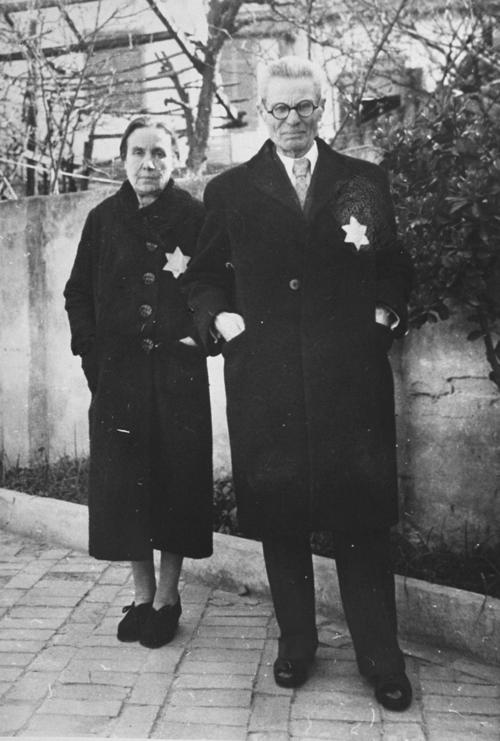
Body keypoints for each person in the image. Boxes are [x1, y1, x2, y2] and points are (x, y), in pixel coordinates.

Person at [183, 56, 414, 710]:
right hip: (268, 382)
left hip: (349, 381)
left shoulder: (362, 181)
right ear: (262, 112)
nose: (292, 120)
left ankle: (381, 657)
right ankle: (297, 644)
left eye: (304, 107)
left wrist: (381, 317)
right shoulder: (230, 191)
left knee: (362, 521)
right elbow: (203, 278)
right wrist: (221, 320)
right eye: (279, 108)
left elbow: (394, 267)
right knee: (280, 517)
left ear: (323, 108)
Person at [64, 117, 213, 649]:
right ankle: (142, 594)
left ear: (175, 160)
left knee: (175, 481)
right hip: (120, 377)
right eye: (137, 154)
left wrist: (201, 338)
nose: (148, 164)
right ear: (121, 160)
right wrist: (93, 353)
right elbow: (77, 292)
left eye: (159, 154)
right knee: (127, 487)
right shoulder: (103, 219)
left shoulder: (195, 216)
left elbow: (220, 281)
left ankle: (169, 598)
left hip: (177, 376)